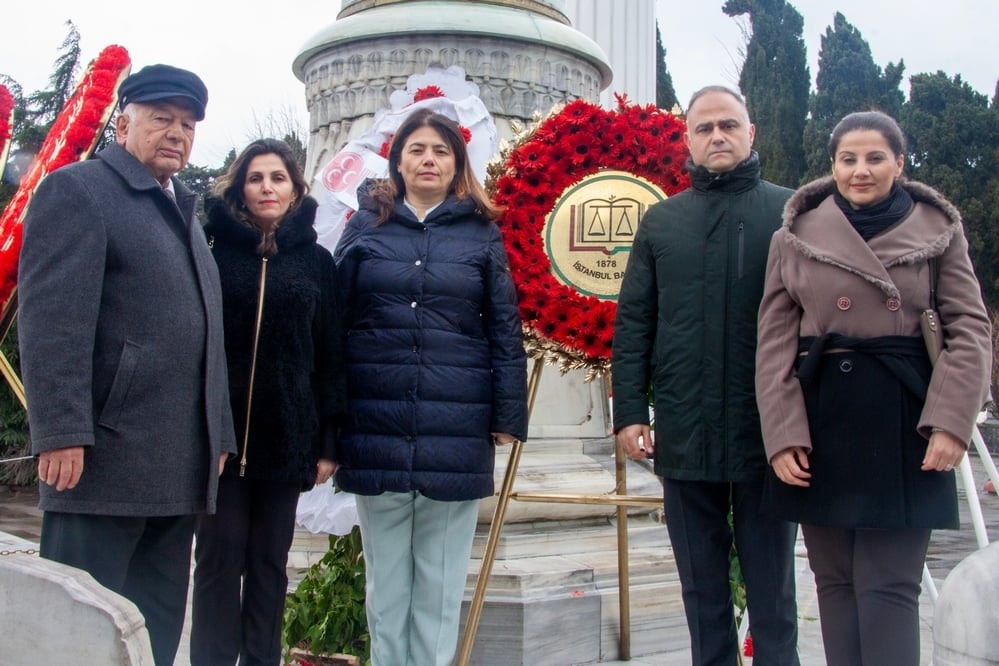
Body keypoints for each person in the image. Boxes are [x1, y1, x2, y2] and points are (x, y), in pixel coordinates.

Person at [755, 110, 991, 665]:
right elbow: (772, 344)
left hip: (907, 417)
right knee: (834, 582)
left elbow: (971, 327)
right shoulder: (794, 235)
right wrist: (783, 433)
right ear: (833, 166)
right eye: (848, 159)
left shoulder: (939, 230)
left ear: (900, 164)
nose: (861, 171)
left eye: (875, 158)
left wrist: (951, 422)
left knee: (888, 585)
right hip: (820, 418)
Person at [17, 64, 235, 665]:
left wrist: (217, 429)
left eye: (187, 124)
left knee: (154, 626)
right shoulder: (79, 190)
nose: (176, 133)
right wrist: (60, 431)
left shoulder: (181, 211)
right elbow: (54, 324)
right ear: (123, 120)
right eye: (161, 118)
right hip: (101, 462)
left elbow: (205, 332)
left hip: (176, 464)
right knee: (82, 628)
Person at [612, 85, 800, 665]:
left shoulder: (792, 213)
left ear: (751, 133)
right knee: (700, 587)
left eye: (728, 125)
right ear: (687, 140)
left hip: (769, 434)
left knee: (774, 589)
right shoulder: (661, 223)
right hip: (687, 431)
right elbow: (635, 322)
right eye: (703, 128)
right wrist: (629, 413)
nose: (716, 136)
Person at [333, 108, 528, 666]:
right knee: (386, 586)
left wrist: (506, 415)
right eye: (417, 149)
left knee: (441, 589)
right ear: (397, 160)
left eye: (441, 151)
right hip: (377, 421)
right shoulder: (365, 224)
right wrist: (331, 417)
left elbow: (503, 327)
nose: (428, 159)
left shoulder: (479, 232)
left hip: (454, 427)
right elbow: (336, 320)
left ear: (458, 163)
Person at [190, 138, 345, 665]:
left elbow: (330, 353)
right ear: (240, 188)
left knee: (268, 565)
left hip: (288, 440)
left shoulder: (317, 261)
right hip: (221, 442)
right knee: (216, 563)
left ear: (296, 188)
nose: (266, 188)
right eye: (256, 178)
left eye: (277, 178)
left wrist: (327, 441)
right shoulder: (211, 249)